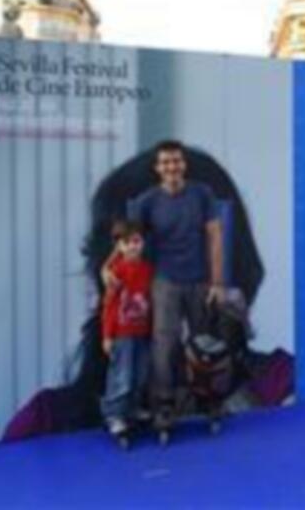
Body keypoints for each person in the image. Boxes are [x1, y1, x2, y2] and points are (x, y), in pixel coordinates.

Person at [127, 140, 226, 426]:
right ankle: (164, 406)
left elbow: (215, 237)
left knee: (202, 345)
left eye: (177, 161)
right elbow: (130, 244)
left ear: (184, 165)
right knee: (164, 345)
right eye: (166, 162)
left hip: (200, 282)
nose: (172, 167)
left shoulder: (202, 194)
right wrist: (113, 270)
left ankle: (208, 402)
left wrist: (217, 283)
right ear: (158, 168)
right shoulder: (146, 202)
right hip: (164, 282)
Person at [99, 221, 154, 443]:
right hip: (121, 333)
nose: (132, 246)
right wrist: (107, 335)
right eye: (127, 243)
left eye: (136, 241)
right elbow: (109, 306)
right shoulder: (116, 272)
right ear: (119, 247)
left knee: (139, 375)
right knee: (121, 377)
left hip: (141, 331)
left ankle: (131, 409)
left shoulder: (148, 269)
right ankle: (114, 415)